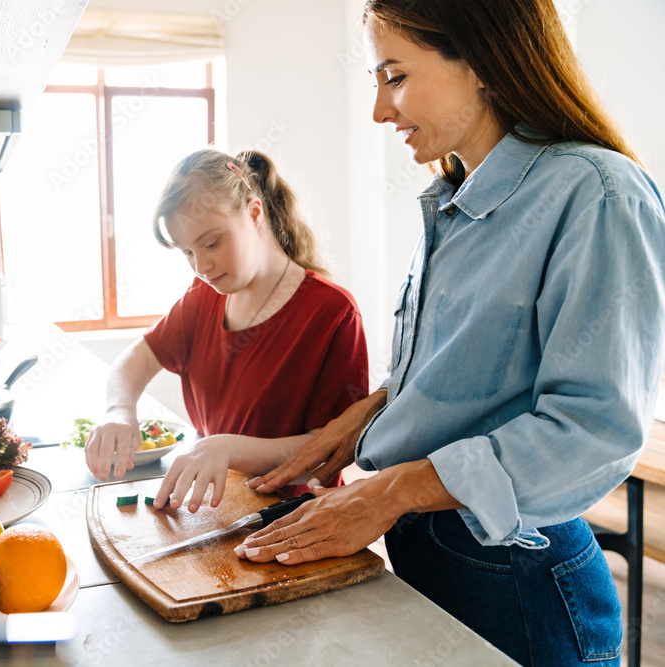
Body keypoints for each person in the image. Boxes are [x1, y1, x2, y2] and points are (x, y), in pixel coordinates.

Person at [235, 2, 665, 665]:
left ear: (484, 62)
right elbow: (468, 364)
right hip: (431, 553)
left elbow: (591, 430)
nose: (381, 110)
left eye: (396, 76)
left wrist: (390, 489)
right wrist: (360, 421)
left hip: (519, 579)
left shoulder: (599, 193)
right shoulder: (456, 199)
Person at [85, 149, 368, 512]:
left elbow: (328, 451)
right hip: (217, 511)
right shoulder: (201, 298)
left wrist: (224, 448)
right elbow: (135, 360)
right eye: (187, 252)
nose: (201, 266)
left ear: (254, 213)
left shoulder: (333, 313)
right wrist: (118, 411)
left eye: (211, 243)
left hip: (294, 521)